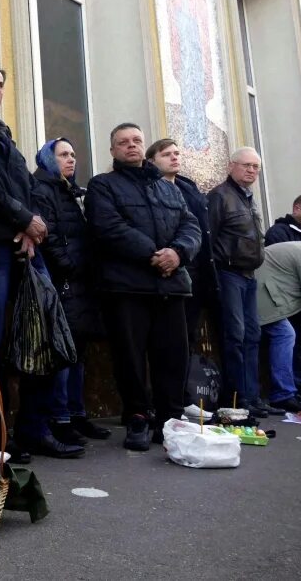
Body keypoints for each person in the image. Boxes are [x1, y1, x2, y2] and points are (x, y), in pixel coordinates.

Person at [0, 63, 82, 460]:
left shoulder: (4, 134)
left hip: (23, 245)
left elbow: (26, 185)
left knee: (44, 332)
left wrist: (32, 227)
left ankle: (35, 427)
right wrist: (23, 220)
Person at [86, 124, 201, 451]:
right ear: (113, 151)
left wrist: (178, 253)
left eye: (136, 140)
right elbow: (108, 227)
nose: (131, 146)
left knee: (173, 356)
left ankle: (170, 420)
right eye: (123, 142)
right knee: (130, 358)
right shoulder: (102, 185)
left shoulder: (168, 188)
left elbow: (190, 225)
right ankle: (137, 417)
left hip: (171, 285)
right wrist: (155, 255)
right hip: (128, 286)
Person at [33, 138, 110, 446]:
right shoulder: (43, 188)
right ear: (47, 159)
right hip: (62, 279)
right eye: (63, 154)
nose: (71, 160)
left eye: (74, 154)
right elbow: (47, 234)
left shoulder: (72, 192)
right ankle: (60, 418)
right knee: (63, 352)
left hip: (79, 282)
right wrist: (68, 266)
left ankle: (76, 414)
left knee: (78, 350)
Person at [146, 138, 218, 419]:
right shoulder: (149, 187)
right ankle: (160, 401)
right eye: (166, 154)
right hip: (162, 271)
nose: (175, 158)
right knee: (161, 343)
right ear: (152, 161)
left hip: (194, 272)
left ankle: (183, 396)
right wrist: (168, 256)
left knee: (187, 338)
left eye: (177, 153)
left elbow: (198, 229)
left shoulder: (188, 188)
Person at [207, 147, 266, 417]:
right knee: (235, 338)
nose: (252, 171)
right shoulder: (220, 196)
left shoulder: (248, 197)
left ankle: (252, 396)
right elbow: (209, 237)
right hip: (228, 274)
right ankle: (237, 398)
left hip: (249, 275)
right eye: (247, 165)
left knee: (253, 336)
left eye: (256, 167)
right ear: (231, 166)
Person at [261, 193, 301, 406]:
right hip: (273, 295)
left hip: (296, 298)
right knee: (286, 336)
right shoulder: (279, 232)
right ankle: (284, 393)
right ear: (296, 209)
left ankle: (299, 389)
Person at [255, 242, 301, 412]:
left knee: (293, 334)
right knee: (285, 335)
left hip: (269, 289)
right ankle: (283, 394)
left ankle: (293, 388)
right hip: (263, 292)